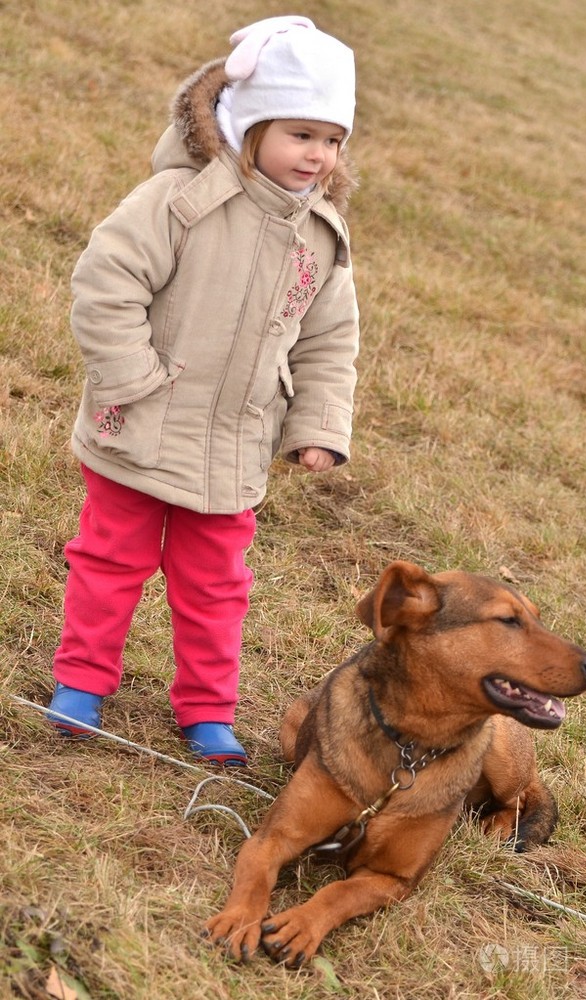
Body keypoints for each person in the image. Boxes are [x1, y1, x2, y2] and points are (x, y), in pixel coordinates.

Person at [46, 16, 359, 767]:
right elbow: (104, 281)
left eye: (333, 140)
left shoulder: (320, 234)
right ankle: (82, 683)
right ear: (250, 127)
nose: (317, 155)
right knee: (110, 559)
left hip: (233, 448)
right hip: (139, 426)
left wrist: (316, 426)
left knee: (217, 586)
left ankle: (207, 710)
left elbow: (328, 340)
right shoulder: (179, 200)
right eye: (301, 133)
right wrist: (132, 379)